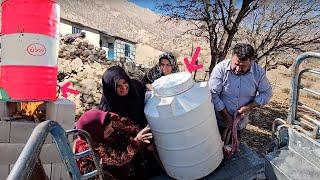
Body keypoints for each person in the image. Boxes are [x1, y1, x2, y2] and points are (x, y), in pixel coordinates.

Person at [209, 43, 272, 138]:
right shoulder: (220, 69)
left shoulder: (258, 73)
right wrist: (226, 116)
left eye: (243, 66)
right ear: (232, 57)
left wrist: (249, 107)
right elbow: (213, 94)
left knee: (232, 147)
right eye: (236, 64)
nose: (238, 69)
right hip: (217, 122)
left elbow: (267, 93)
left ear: (251, 62)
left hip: (240, 123)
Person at [74, 109, 153, 179]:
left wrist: (147, 141)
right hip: (100, 170)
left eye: (111, 126)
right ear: (96, 135)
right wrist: (137, 141)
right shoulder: (89, 147)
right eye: (107, 132)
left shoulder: (106, 119)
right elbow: (120, 159)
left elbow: (131, 126)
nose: (112, 130)